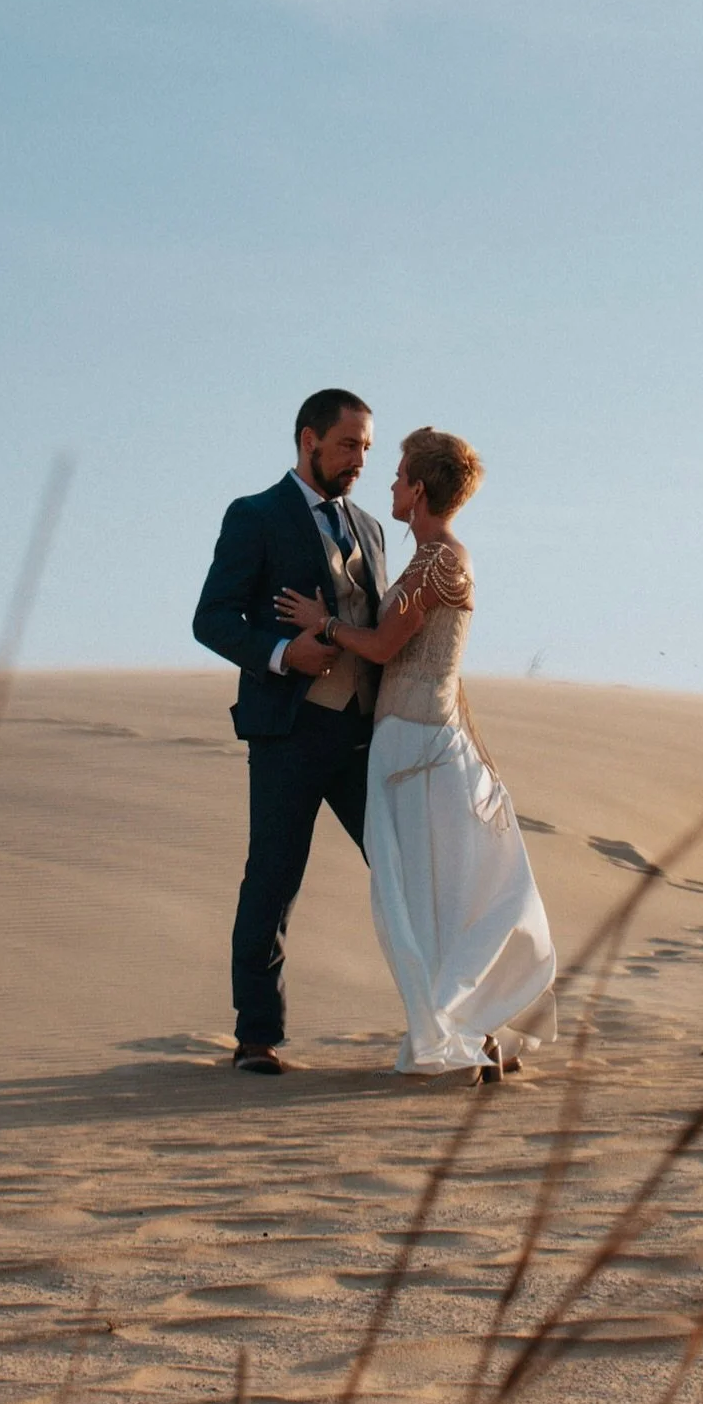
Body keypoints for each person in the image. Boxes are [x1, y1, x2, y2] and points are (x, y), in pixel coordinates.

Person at [275, 428, 555, 1079]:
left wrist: (324, 625)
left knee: (424, 893)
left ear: (421, 488)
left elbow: (379, 647)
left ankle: (459, 1033)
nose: (392, 486)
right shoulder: (435, 558)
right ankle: (468, 1030)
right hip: (418, 739)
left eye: (400, 476)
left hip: (416, 745)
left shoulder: (436, 561)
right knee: (435, 892)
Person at [193, 389, 388, 1073]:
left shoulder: (370, 527)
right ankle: (257, 1037)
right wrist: (283, 655)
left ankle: (448, 1017)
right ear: (309, 440)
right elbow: (212, 620)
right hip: (288, 730)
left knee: (402, 871)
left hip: (365, 735)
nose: (360, 458)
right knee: (273, 879)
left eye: (366, 446)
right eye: (348, 444)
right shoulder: (255, 516)